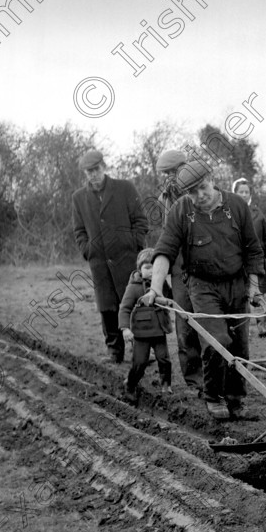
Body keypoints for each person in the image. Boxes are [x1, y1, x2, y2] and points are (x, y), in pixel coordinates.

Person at [140, 161, 265, 421]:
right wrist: (154, 289)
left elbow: (253, 250)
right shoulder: (181, 210)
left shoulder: (237, 206)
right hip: (201, 285)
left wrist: (254, 288)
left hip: (236, 283)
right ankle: (213, 396)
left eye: (203, 188)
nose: (199, 196)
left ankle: (235, 398)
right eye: (192, 192)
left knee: (240, 346)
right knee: (217, 341)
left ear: (212, 179)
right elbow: (165, 251)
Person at [72, 149, 148, 363]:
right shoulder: (78, 198)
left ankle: (140, 353)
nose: (93, 174)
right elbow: (79, 231)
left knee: (134, 303)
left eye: (96, 169)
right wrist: (88, 250)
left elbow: (141, 222)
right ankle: (114, 352)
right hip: (100, 263)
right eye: (89, 171)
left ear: (104, 167)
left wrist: (134, 245)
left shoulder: (124, 188)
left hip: (127, 260)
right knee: (107, 308)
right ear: (85, 173)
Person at [156, 149, 203, 393]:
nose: (169, 178)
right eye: (166, 174)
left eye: (173, 172)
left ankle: (216, 374)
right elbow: (167, 233)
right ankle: (194, 379)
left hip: (203, 263)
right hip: (179, 265)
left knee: (207, 320)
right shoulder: (166, 197)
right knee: (184, 321)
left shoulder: (200, 191)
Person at [119, 248, 173, 401]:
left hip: (159, 330)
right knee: (140, 362)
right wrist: (125, 329)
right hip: (141, 334)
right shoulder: (133, 287)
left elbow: (171, 299)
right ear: (139, 269)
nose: (151, 271)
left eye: (154, 268)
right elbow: (124, 309)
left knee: (164, 359)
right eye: (147, 268)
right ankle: (130, 384)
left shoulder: (162, 285)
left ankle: (166, 385)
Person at [232, 177, 266, 338]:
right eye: (240, 192)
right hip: (238, 261)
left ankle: (262, 327)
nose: (244, 195)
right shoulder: (230, 212)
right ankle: (241, 329)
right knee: (241, 296)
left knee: (260, 295)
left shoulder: (258, 213)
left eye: (246, 192)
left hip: (257, 260)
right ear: (235, 193)